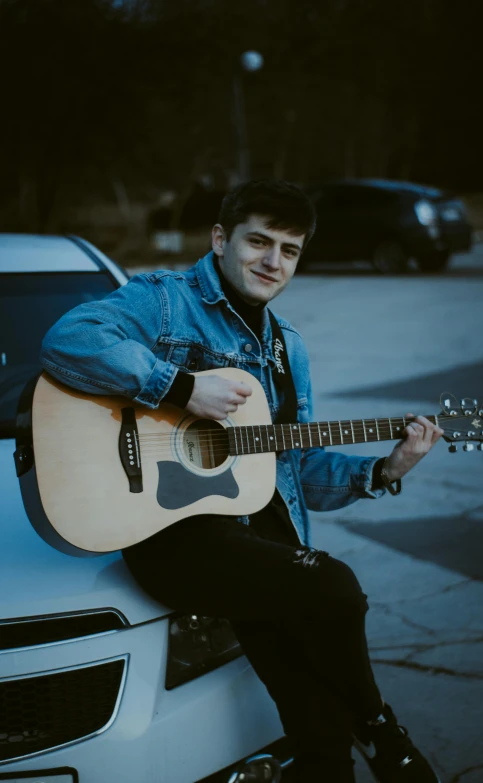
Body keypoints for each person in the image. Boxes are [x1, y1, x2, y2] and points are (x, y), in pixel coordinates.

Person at [41, 180, 444, 783]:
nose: (273, 262)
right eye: (259, 241)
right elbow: (68, 341)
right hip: (180, 537)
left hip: (267, 546)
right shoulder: (166, 301)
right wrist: (179, 388)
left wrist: (384, 471)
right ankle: (381, 727)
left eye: (290, 249)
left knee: (317, 727)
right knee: (335, 586)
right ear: (221, 238)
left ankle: (351, 737)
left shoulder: (289, 348)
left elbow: (294, 465)